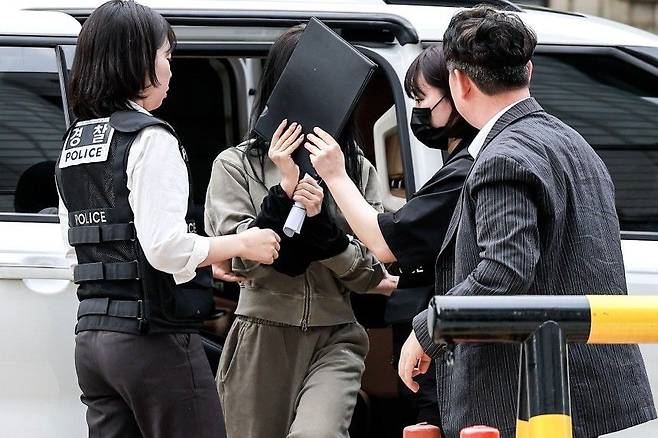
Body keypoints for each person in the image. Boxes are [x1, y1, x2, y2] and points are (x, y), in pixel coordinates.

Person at [397, 6, 657, 438]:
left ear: (460, 82)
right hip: (600, 396)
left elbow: (503, 271)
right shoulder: (573, 142)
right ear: (528, 69)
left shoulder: (502, 158)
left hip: (534, 403)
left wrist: (428, 328)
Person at [54, 2, 280, 437]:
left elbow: (75, 250)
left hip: (93, 341)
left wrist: (204, 256)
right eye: (167, 55)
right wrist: (242, 243)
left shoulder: (75, 142)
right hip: (151, 340)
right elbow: (165, 249)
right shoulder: (150, 138)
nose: (171, 69)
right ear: (137, 60)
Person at [204, 24, 395, 438]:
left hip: (336, 335)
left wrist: (326, 236)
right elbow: (238, 261)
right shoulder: (235, 166)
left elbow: (373, 270)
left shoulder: (353, 169)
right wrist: (283, 194)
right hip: (261, 335)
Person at [304, 46, 476, 429]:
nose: (417, 110)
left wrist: (335, 175)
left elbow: (384, 241)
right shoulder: (458, 164)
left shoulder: (467, 170)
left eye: (422, 99)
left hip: (444, 350)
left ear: (459, 91)